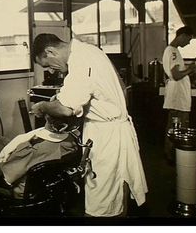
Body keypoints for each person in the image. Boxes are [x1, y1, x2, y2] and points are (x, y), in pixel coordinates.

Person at [30, 33, 148, 217]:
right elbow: (119, 88)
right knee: (116, 194)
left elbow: (65, 109)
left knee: (101, 205)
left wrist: (42, 106)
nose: (51, 71)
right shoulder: (90, 50)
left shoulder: (80, 60)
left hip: (108, 137)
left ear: (50, 51)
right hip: (110, 129)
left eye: (47, 65)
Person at [0, 115, 81, 198]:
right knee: (1, 141)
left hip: (26, 192)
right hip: (53, 188)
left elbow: (6, 176)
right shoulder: (71, 142)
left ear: (48, 118)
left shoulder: (34, 150)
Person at [162, 26, 196, 164]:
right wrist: (190, 69)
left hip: (178, 97)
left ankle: (172, 155)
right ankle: (172, 156)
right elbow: (176, 76)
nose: (188, 43)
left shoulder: (174, 51)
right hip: (178, 98)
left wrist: (188, 70)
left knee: (175, 127)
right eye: (188, 39)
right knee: (177, 128)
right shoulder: (172, 51)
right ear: (182, 35)